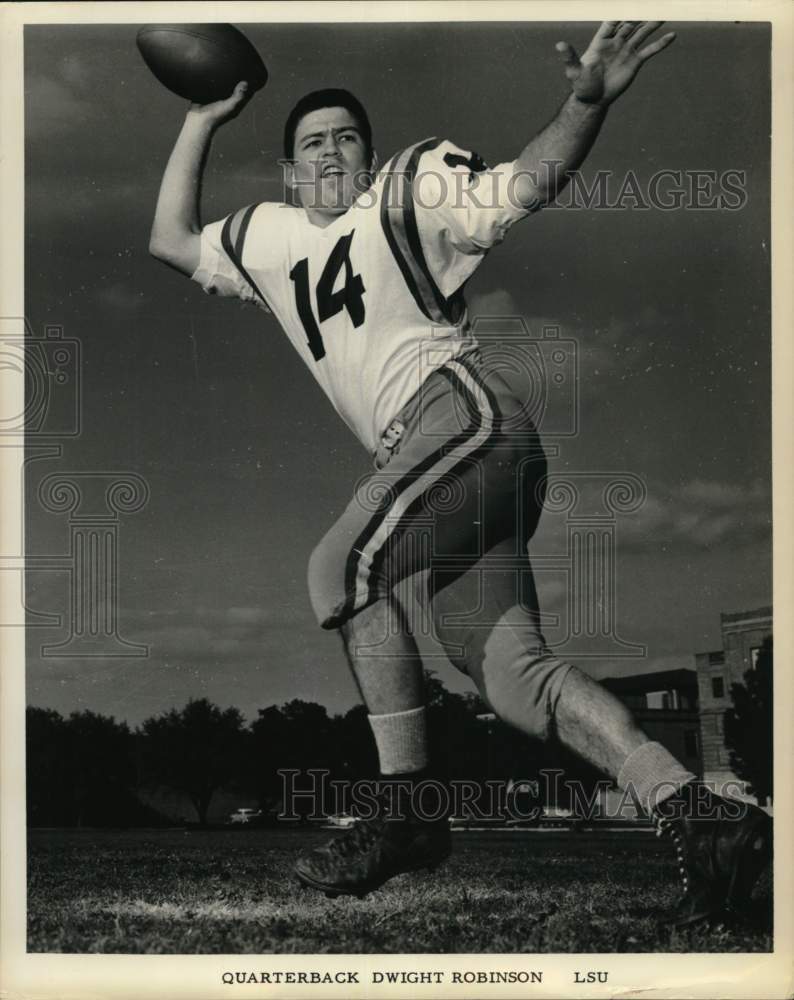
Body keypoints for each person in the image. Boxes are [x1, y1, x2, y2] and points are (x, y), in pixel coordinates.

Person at [149, 21, 771, 927]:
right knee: (515, 679)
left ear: (369, 157)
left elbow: (522, 184)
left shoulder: (407, 187)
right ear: (288, 173)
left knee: (340, 569)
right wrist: (204, 115)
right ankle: (698, 813)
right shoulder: (270, 236)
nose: (330, 153)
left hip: (461, 419)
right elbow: (169, 238)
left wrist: (583, 104)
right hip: (439, 464)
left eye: (345, 139)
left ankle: (406, 811)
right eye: (311, 144)